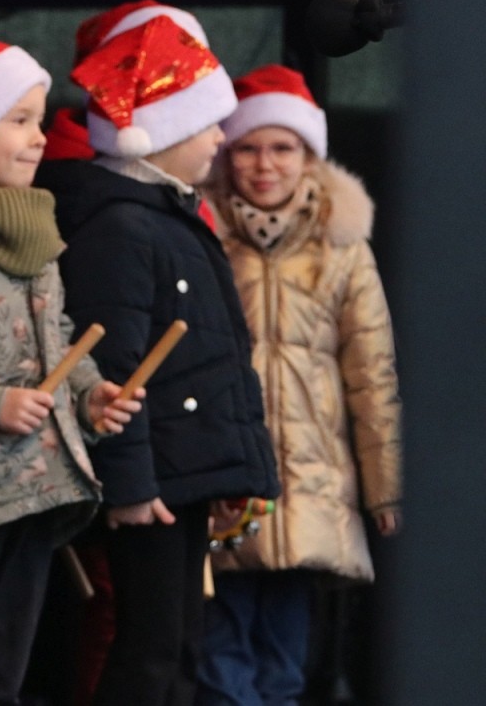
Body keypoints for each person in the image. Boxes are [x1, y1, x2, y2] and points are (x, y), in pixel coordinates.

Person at [36, 11, 280, 706]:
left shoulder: (166, 214)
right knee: (147, 650)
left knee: (178, 647)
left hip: (183, 474)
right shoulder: (121, 227)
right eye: (207, 121)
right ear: (160, 132)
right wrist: (132, 485)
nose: (220, 138)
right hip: (155, 483)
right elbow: (115, 368)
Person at [0, 37, 143, 706]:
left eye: (39, 120)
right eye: (17, 119)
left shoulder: (37, 228)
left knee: (4, 672)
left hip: (37, 483)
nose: (38, 138)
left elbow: (58, 335)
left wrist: (87, 392)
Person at [195, 64, 402, 706]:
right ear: (227, 154)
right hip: (225, 477)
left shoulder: (343, 247)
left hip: (310, 482)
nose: (265, 165)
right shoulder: (203, 234)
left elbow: (372, 373)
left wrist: (385, 486)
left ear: (309, 156)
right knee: (220, 659)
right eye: (249, 147)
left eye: (283, 148)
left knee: (284, 663)